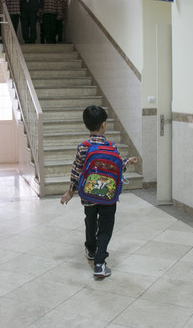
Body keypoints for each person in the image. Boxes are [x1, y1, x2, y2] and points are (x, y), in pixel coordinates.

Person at [60, 105, 138, 278]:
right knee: (105, 227)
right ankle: (100, 264)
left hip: (88, 195)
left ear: (86, 125)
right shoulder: (111, 146)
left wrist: (70, 192)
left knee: (90, 221)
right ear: (103, 125)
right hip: (108, 196)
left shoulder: (83, 147)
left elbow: (76, 170)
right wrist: (127, 162)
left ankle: (91, 249)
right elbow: (116, 169)